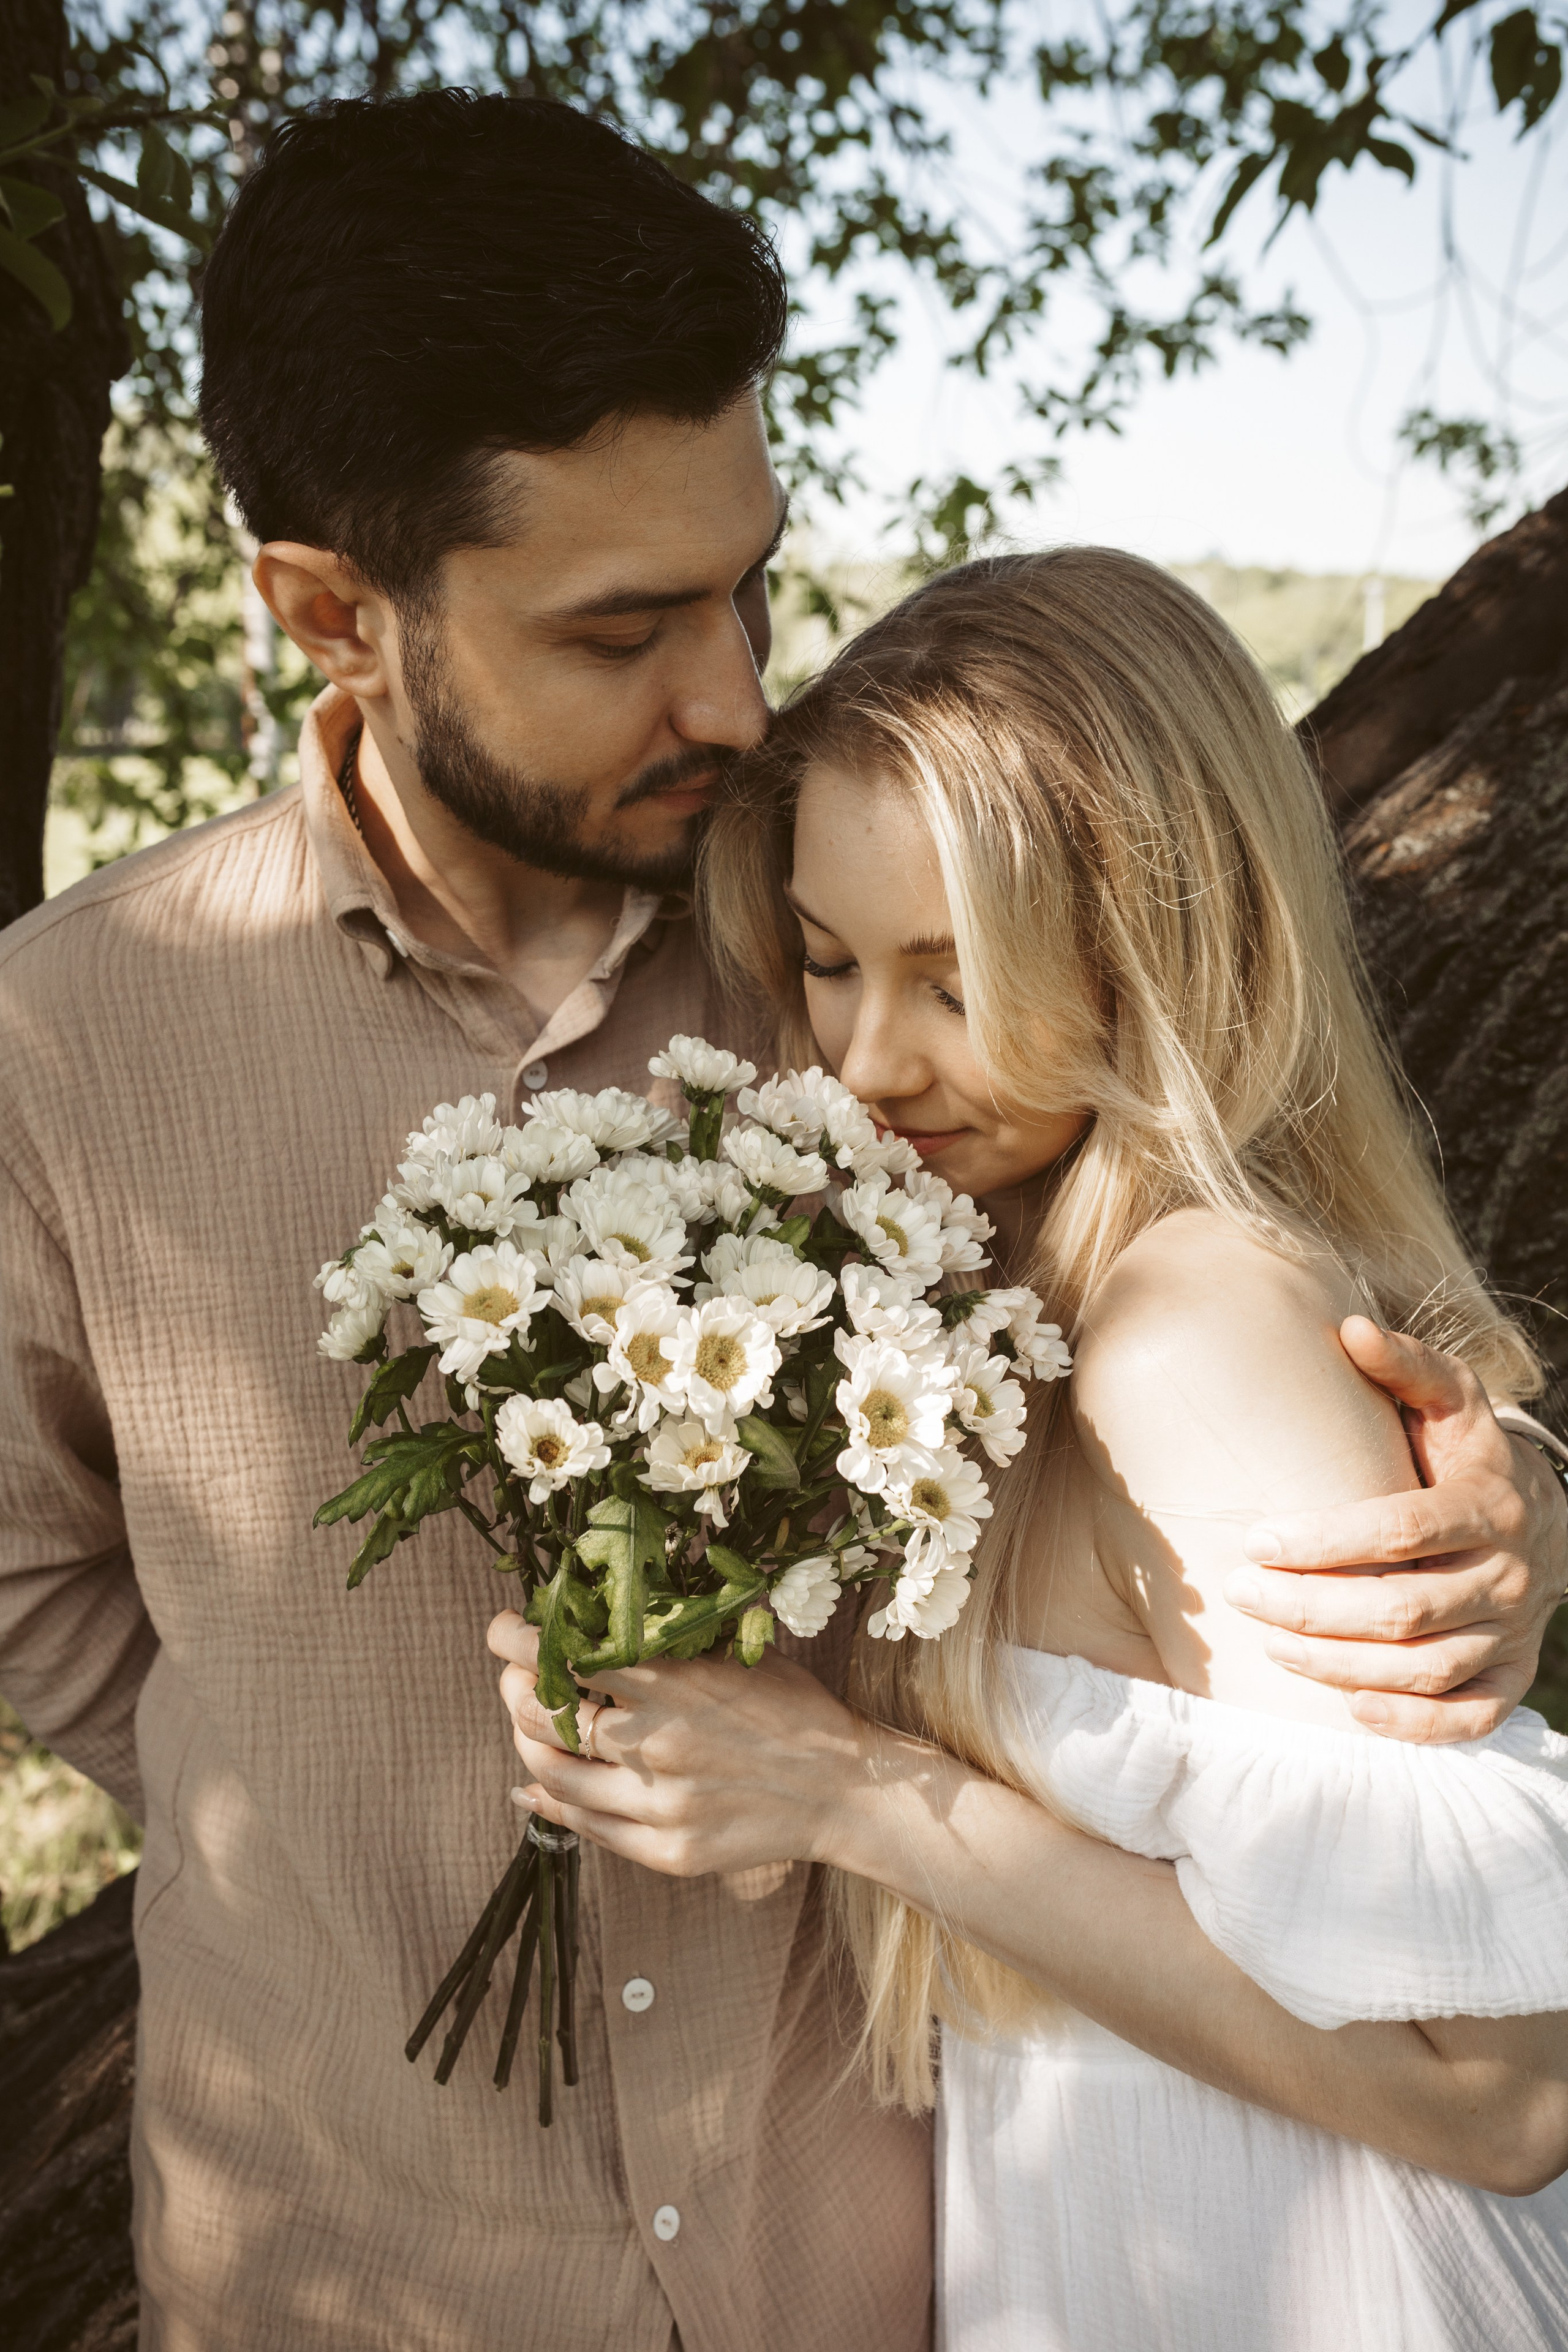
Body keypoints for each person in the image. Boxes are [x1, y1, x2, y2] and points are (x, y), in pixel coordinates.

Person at [0, 88, 1559, 2352]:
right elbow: (32, 1586)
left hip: (892, 2260)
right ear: (338, 613)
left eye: (747, 579)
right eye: (625, 624)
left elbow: (1214, 1351)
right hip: (361, 2281)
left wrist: (1495, 1549)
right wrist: (327, 1775)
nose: (733, 693)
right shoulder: (72, 1044)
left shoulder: (866, 938)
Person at [492, 549, 1568, 2350]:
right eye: (829, 964)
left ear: (1161, 944)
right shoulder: (994, 1297)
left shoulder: (1190, 1329)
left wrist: (844, 1794)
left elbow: (1499, 2089)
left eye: (955, 981)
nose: (867, 1061)